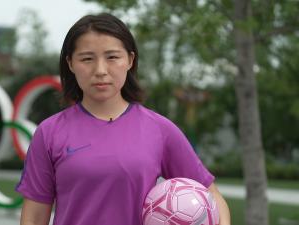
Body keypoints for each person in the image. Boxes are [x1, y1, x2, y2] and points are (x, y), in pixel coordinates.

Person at [16, 13, 230, 225]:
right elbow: (34, 217)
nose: (100, 70)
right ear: (70, 63)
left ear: (130, 59)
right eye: (87, 59)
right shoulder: (49, 132)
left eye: (112, 57)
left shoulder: (159, 129)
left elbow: (211, 197)